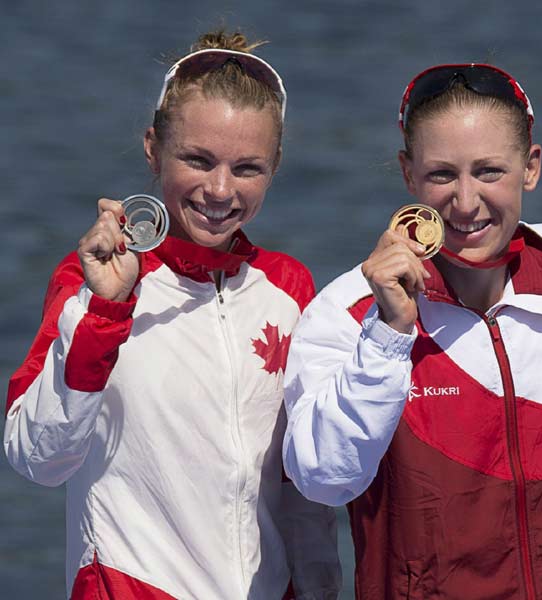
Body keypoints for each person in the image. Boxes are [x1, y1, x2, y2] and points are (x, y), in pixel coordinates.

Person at [4, 30, 340, 599]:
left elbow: (299, 491)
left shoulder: (288, 288)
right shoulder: (93, 282)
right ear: (153, 148)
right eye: (197, 159)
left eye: (248, 167)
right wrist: (105, 311)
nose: (219, 189)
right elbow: (37, 458)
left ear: (276, 165)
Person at [283, 63, 542, 598]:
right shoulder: (347, 311)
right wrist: (389, 336)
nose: (465, 201)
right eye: (442, 174)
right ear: (408, 175)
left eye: (489, 171)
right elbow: (322, 478)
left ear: (530, 167)